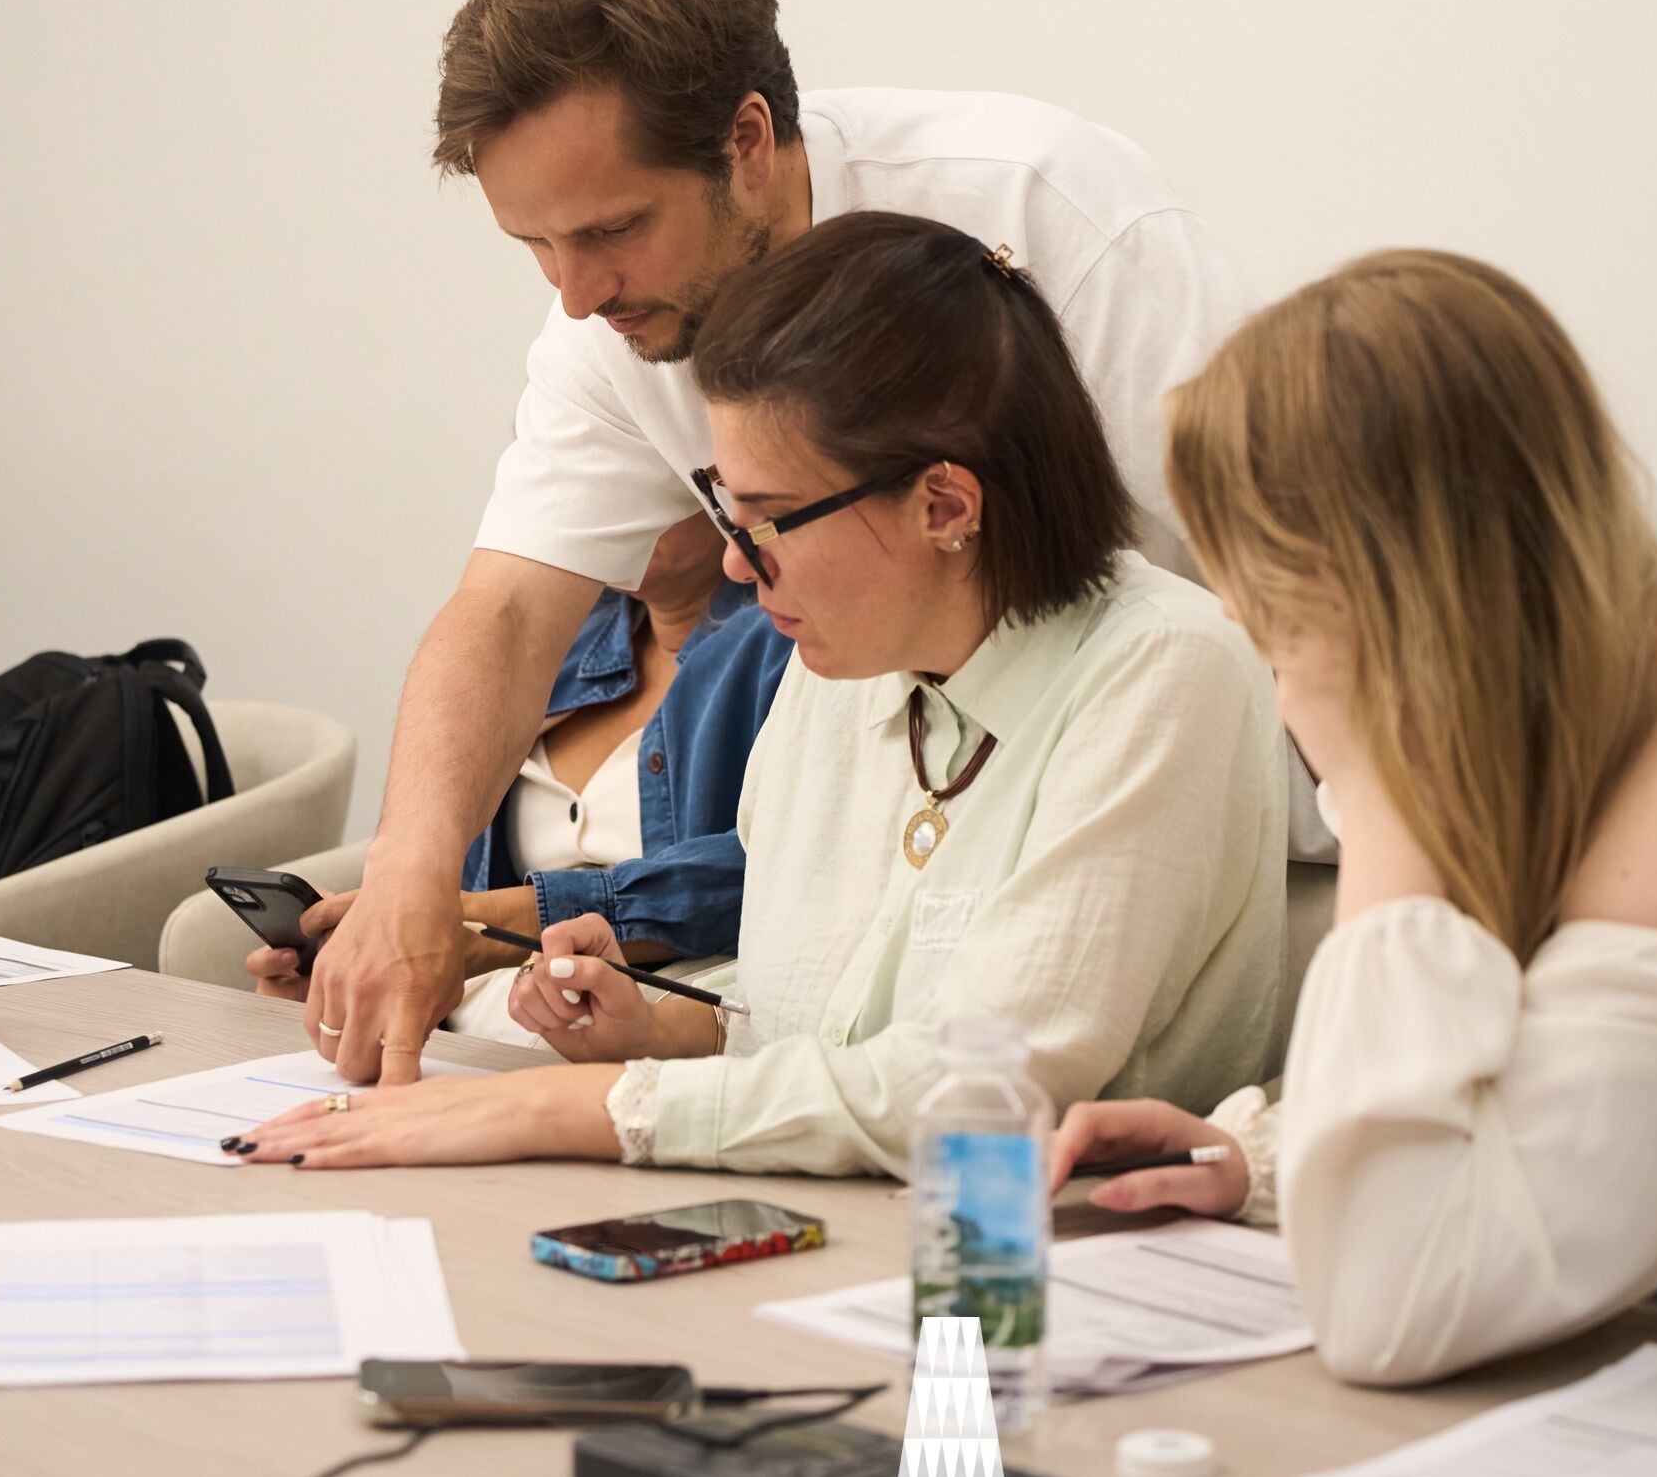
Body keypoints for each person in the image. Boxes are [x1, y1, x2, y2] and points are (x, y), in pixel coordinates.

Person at [308, 0, 1315, 1087]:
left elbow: (1329, 583)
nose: (577, 294)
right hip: (931, 840)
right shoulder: (617, 324)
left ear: (746, 142)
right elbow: (505, 611)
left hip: (1197, 810)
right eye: (533, 243)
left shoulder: (1046, 212)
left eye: (611, 229)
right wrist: (410, 872)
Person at [227, 213, 1288, 1179]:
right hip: (837, 1226)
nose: (737, 565)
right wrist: (649, 1032)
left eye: (769, 520)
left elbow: (976, 1091)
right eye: (725, 512)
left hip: (1033, 1266)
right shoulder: (847, 664)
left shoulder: (1163, 668)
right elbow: (813, 1025)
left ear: (943, 505)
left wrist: (566, 1105)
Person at [1048, 251, 1657, 1387]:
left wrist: (1383, 788)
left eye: (1254, 575)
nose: (1236, 618)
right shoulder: (1590, 697)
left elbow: (1389, 1312)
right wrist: (1266, 1156)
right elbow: (1540, 1108)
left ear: (1373, 584)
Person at [244, 514, 790, 1019]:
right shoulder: (556, 630)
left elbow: (781, 871)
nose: (610, 506)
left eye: (650, 473)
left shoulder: (789, 645)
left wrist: (496, 925)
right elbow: (450, 867)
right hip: (474, 1013)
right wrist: (362, 962)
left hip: (654, 1018)